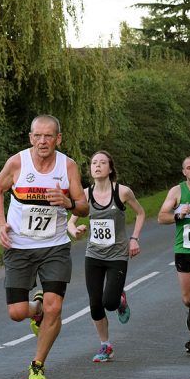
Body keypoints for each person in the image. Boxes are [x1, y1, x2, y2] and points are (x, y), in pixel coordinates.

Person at [0, 115, 88, 379]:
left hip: (54, 246)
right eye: (37, 136)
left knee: (56, 307)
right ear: (30, 137)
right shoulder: (18, 162)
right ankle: (36, 309)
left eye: (48, 136)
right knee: (17, 312)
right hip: (19, 245)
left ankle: (38, 364)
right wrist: (1, 224)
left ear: (58, 138)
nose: (42, 141)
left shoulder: (67, 166)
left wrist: (68, 202)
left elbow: (83, 207)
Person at [67, 151, 145, 362]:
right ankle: (105, 345)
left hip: (117, 255)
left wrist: (134, 238)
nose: (98, 166)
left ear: (110, 169)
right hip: (93, 255)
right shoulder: (85, 194)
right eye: (94, 163)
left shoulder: (122, 192)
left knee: (109, 302)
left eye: (103, 163)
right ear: (90, 169)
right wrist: (74, 230)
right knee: (95, 304)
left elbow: (140, 213)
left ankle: (119, 299)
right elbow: (70, 222)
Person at [158, 155, 190, 355]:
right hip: (183, 249)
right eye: (189, 168)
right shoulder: (177, 191)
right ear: (184, 172)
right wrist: (178, 213)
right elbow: (162, 217)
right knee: (188, 298)